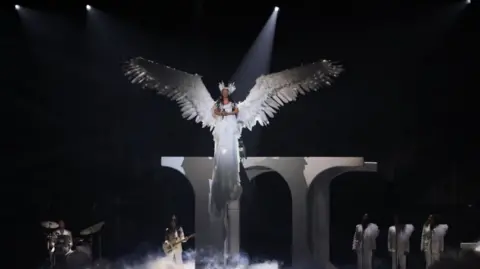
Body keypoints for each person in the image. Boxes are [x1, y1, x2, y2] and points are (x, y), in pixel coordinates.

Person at [123, 57, 343, 220]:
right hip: (221, 145)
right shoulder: (213, 108)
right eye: (224, 94)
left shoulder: (240, 109)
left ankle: (232, 193)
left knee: (232, 170)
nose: (226, 97)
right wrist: (145, 66)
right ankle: (221, 197)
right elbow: (192, 91)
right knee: (221, 170)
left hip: (232, 145)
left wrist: (317, 69)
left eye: (228, 94)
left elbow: (246, 105)